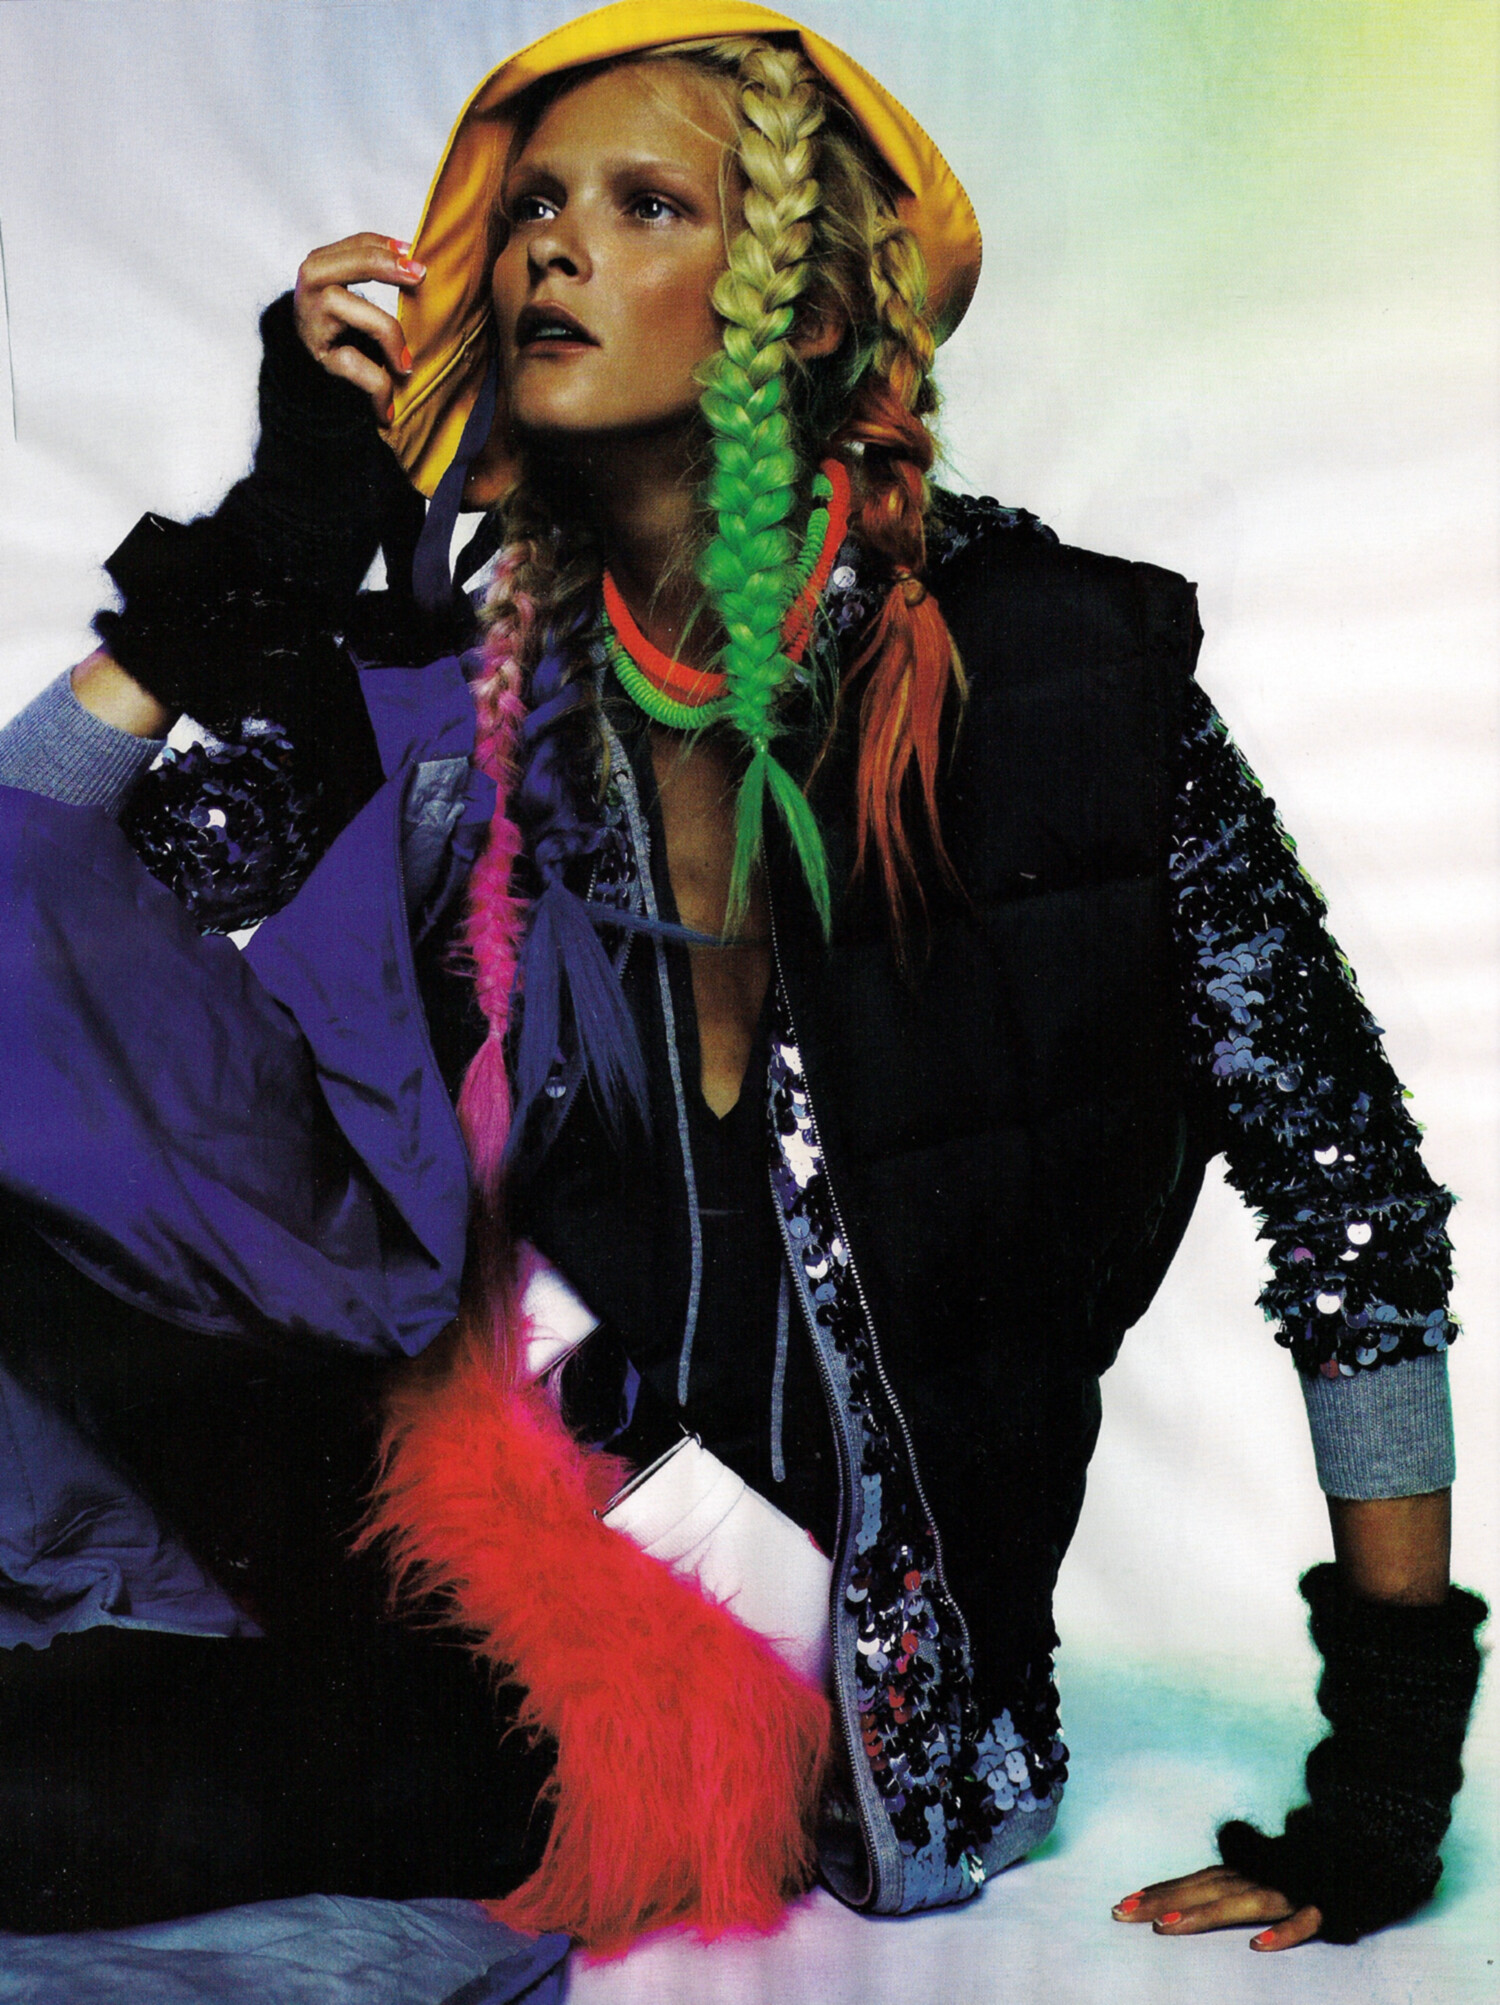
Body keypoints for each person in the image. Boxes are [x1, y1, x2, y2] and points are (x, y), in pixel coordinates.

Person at [0, 0, 1483, 1960]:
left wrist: (1385, 1777)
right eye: (532, 206)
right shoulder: (469, 675)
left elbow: (1349, 1189)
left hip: (752, 1659)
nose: (552, 246)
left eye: (644, 205)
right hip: (429, 1485)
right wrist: (255, 561)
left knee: (55, 1797)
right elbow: (36, 900)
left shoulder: (1063, 688)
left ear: (803, 307)